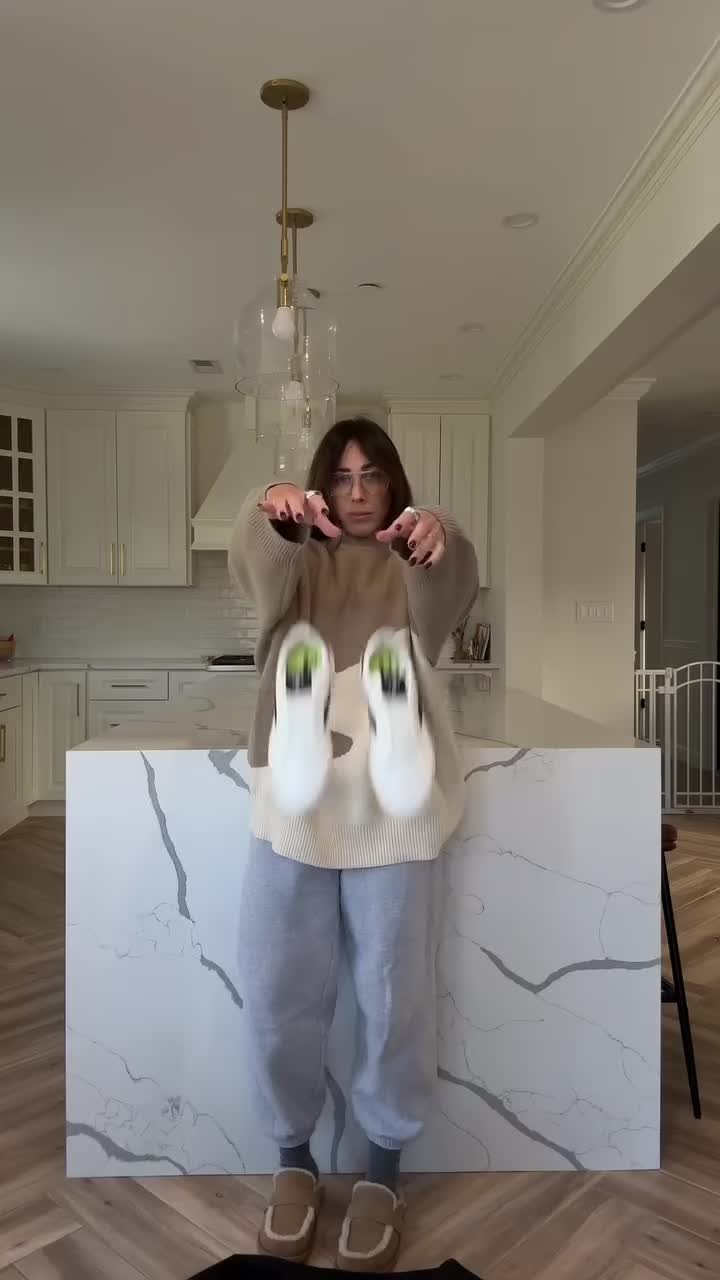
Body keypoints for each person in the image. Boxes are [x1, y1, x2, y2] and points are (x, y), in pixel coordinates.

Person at [229, 417, 479, 1271]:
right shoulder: (298, 560)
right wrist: (268, 510)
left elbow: (452, 587)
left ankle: (382, 1175)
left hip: (393, 812)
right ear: (322, 488)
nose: (360, 490)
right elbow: (253, 564)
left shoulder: (413, 557)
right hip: (296, 808)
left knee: (393, 995)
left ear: (394, 481)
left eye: (373, 474)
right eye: (341, 477)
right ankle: (293, 1161)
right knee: (277, 990)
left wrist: (440, 535)